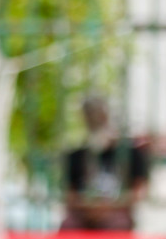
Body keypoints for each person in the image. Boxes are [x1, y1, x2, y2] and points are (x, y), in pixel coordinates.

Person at [62, 96, 150, 231]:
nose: (94, 118)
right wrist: (90, 207)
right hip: (84, 214)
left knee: (117, 226)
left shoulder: (131, 154)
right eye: (89, 113)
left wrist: (109, 206)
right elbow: (69, 195)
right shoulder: (76, 156)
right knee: (69, 226)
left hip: (116, 212)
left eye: (98, 112)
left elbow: (139, 192)